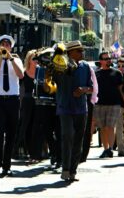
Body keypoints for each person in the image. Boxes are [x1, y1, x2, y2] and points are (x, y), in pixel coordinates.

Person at [53, 40, 93, 181]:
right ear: (70, 53)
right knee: (67, 136)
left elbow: (91, 87)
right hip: (65, 107)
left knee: (78, 140)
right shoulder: (59, 66)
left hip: (82, 108)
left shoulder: (86, 66)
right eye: (79, 51)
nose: (82, 53)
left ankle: (73, 171)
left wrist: (84, 90)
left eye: (82, 50)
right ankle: (65, 168)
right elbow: (53, 80)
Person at [0, 35, 24, 176]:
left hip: (13, 100)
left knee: (11, 133)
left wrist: (10, 59)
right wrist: (1, 60)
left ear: (11, 47)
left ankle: (6, 165)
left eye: (7, 44)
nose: (5, 46)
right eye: (3, 44)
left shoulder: (17, 60)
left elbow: (21, 75)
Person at [93, 52, 124, 158]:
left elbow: (121, 90)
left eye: (109, 58)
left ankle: (110, 149)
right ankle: (105, 149)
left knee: (110, 126)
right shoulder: (96, 74)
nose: (108, 60)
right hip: (99, 104)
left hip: (114, 104)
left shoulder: (116, 73)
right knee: (102, 128)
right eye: (105, 59)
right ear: (101, 61)